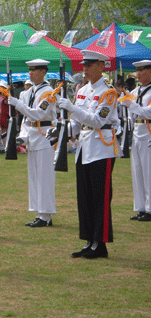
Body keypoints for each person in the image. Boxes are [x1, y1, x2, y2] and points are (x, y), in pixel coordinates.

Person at [57, 50, 120, 259]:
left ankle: (100, 243)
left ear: (101, 67)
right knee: (84, 197)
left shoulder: (108, 93)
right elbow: (78, 123)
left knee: (100, 198)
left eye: (89, 65)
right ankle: (89, 240)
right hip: (84, 148)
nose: (84, 69)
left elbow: (97, 121)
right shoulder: (82, 90)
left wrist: (73, 109)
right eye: (83, 65)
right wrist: (62, 131)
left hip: (101, 148)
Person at [8, 60, 57, 227]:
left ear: (43, 71)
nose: (30, 73)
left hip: (44, 135)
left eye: (34, 70)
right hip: (32, 136)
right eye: (29, 69)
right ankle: (39, 212)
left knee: (45, 177)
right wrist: (23, 135)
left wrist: (18, 105)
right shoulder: (29, 92)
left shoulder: (48, 92)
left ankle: (46, 215)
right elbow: (26, 119)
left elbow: (38, 114)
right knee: (34, 177)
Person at [119, 59, 151, 222]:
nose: (138, 74)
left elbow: (148, 112)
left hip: (149, 132)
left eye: (142, 70)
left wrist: (130, 105)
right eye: (137, 71)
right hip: (137, 132)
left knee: (148, 172)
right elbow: (130, 113)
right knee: (137, 171)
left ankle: (150, 208)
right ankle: (140, 207)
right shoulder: (136, 91)